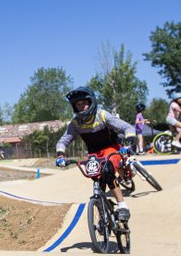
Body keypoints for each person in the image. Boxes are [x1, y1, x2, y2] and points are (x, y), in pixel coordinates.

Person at [55, 87, 135, 223]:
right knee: (97, 180)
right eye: (78, 105)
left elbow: (127, 127)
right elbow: (64, 140)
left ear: (91, 102)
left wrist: (128, 143)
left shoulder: (102, 115)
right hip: (93, 154)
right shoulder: (75, 123)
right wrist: (60, 155)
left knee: (108, 171)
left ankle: (122, 206)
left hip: (111, 149)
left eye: (83, 103)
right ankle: (102, 212)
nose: (81, 107)